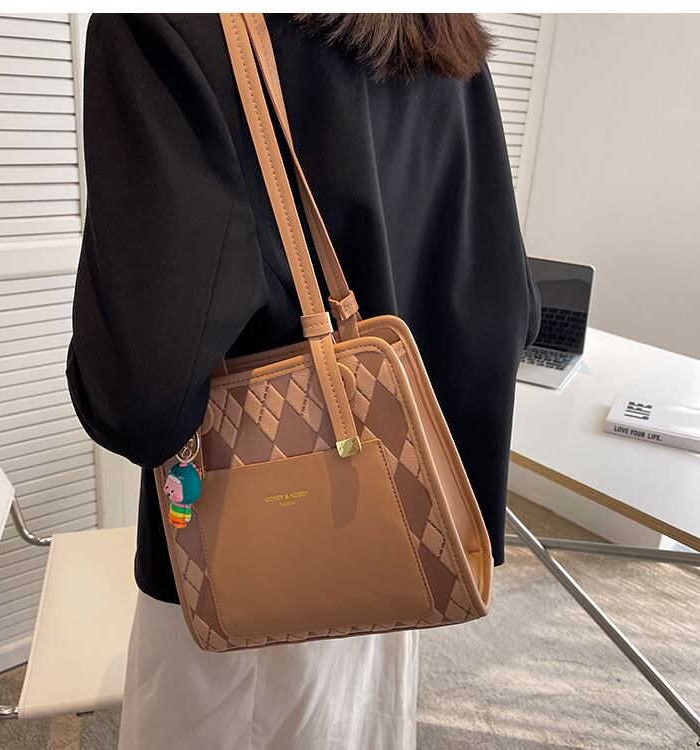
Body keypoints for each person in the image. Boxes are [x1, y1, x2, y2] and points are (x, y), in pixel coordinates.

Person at [66, 13, 541, 750]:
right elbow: (504, 302)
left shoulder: (164, 26)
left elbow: (141, 400)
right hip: (397, 524)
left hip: (246, 555)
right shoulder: (441, 32)